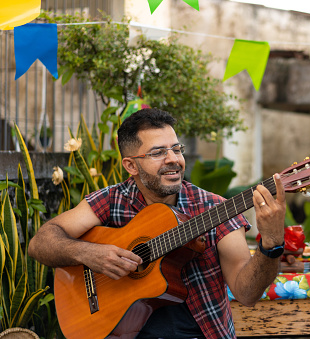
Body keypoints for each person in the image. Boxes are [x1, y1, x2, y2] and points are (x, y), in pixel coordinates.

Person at [28, 108, 286, 339]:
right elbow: (40, 242)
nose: (173, 159)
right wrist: (88, 253)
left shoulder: (214, 208)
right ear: (130, 165)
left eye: (176, 149)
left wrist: (271, 244)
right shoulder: (112, 199)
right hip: (119, 332)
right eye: (158, 152)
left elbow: (247, 293)